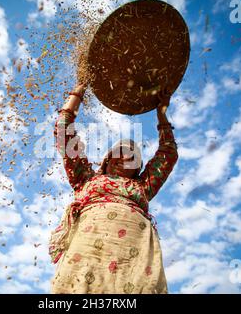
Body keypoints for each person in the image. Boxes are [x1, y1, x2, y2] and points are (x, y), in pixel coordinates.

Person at [49, 82, 179, 294]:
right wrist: (78, 92)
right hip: (88, 250)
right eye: (120, 152)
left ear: (138, 168)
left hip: (133, 255)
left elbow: (168, 153)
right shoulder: (85, 178)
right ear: (107, 159)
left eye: (132, 156)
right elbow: (63, 131)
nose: (125, 156)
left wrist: (162, 115)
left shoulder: (142, 186)